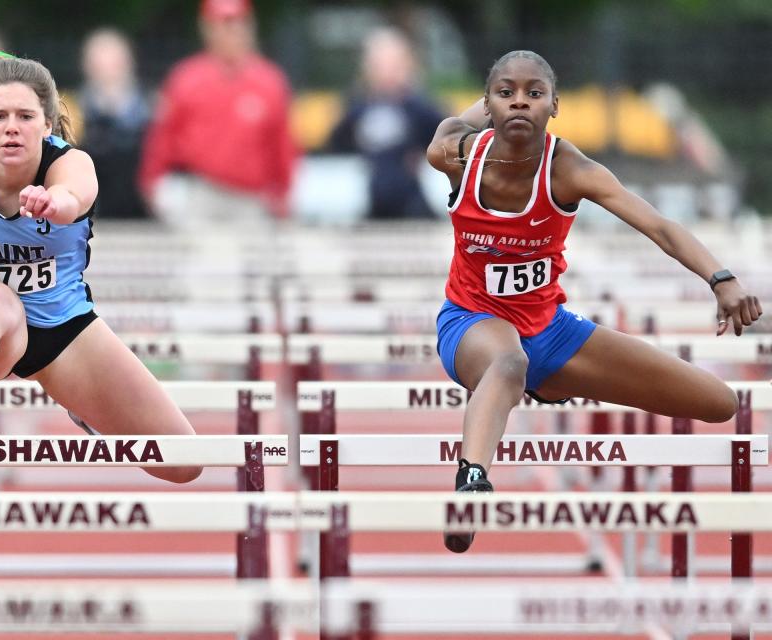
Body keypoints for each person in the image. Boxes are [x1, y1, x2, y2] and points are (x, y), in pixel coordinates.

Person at [426, 50, 761, 553]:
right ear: (488, 105)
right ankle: (471, 484)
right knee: (508, 360)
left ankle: (545, 381)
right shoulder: (456, 155)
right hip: (474, 325)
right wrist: (500, 102)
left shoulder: (572, 169)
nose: (520, 103)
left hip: (550, 329)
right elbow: (447, 129)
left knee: (718, 403)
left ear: (555, 106)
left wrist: (721, 279)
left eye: (534, 94)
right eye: (506, 94)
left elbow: (661, 227)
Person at [0, 55, 201, 484]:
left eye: (25, 116)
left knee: (181, 460)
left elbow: (75, 194)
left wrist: (56, 203)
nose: (12, 127)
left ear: (47, 125)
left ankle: (87, 407)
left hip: (61, 322)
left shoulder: (72, 165)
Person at [138, 0, 297, 227]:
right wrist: (153, 180)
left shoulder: (269, 81)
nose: (231, 32)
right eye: (223, 24)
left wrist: (284, 191)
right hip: (201, 193)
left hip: (250, 199)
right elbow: (164, 136)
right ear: (207, 28)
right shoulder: (186, 78)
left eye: (236, 23)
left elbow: (282, 144)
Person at [325, 27, 445, 220]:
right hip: (372, 201)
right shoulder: (358, 106)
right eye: (380, 65)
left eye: (393, 64)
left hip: (412, 204)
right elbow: (335, 143)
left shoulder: (419, 106)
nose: (386, 72)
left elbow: (449, 137)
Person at [78, 28, 150, 219]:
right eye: (100, 64)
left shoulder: (151, 109)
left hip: (142, 203)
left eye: (114, 63)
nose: (108, 71)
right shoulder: (74, 111)